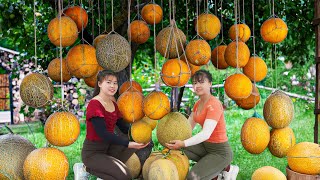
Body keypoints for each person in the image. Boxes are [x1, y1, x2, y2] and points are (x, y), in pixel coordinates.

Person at [73, 70, 149, 180]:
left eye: (115, 83)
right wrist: (128, 144)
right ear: (99, 84)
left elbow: (123, 127)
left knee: (131, 144)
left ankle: (91, 169)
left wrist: (140, 132)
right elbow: (104, 134)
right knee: (124, 176)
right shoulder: (95, 104)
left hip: (108, 149)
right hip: (93, 153)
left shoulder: (112, 103)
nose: (112, 86)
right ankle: (86, 168)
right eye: (108, 82)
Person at [166, 69, 239, 180]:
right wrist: (172, 135)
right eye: (195, 83)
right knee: (177, 148)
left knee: (192, 177)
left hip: (220, 152)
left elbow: (206, 134)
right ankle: (218, 171)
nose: (197, 85)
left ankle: (225, 167)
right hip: (205, 147)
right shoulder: (197, 104)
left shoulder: (214, 104)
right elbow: (187, 128)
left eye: (201, 82)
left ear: (210, 84)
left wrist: (183, 143)